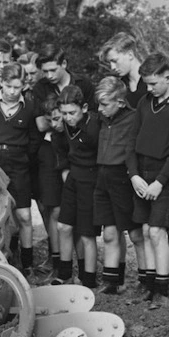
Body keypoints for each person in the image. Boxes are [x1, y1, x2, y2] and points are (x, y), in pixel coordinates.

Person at [125, 53, 169, 307]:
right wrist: (133, 175)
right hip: (141, 173)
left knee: (157, 230)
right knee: (144, 230)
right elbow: (132, 140)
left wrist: (161, 181)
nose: (149, 88)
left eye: (154, 83)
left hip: (164, 175)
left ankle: (163, 291)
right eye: (146, 83)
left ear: (168, 77)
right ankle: (151, 283)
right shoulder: (145, 102)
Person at [0, 63, 39, 275]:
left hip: (19, 163)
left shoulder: (29, 107)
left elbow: (34, 140)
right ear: (1, 82)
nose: (12, 92)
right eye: (9, 86)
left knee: (23, 215)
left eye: (17, 87)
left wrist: (21, 158)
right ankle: (3, 262)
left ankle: (28, 264)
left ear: (24, 86)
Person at [93, 77, 145, 294]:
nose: (100, 108)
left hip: (122, 178)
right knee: (109, 233)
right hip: (102, 177)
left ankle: (146, 279)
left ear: (121, 102)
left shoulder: (133, 119)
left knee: (134, 233)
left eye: (105, 104)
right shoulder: (101, 118)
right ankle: (113, 281)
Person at [55, 85, 102, 288]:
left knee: (87, 234)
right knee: (63, 226)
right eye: (64, 113)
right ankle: (64, 273)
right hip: (73, 177)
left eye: (72, 113)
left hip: (92, 181)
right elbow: (61, 147)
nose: (68, 117)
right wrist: (65, 170)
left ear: (83, 107)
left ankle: (88, 278)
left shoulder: (95, 126)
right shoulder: (64, 125)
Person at [32, 44, 96, 134]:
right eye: (45, 71)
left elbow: (93, 116)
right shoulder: (40, 87)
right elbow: (41, 125)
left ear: (64, 64)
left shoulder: (83, 84)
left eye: (53, 70)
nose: (49, 76)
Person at [36, 98, 66, 273]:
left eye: (57, 118)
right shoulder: (47, 139)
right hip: (48, 163)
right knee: (52, 211)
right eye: (50, 119)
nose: (55, 123)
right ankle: (56, 262)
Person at [99, 32, 148, 110]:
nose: (112, 67)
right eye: (110, 63)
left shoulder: (155, 81)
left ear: (130, 55)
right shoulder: (119, 86)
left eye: (115, 61)